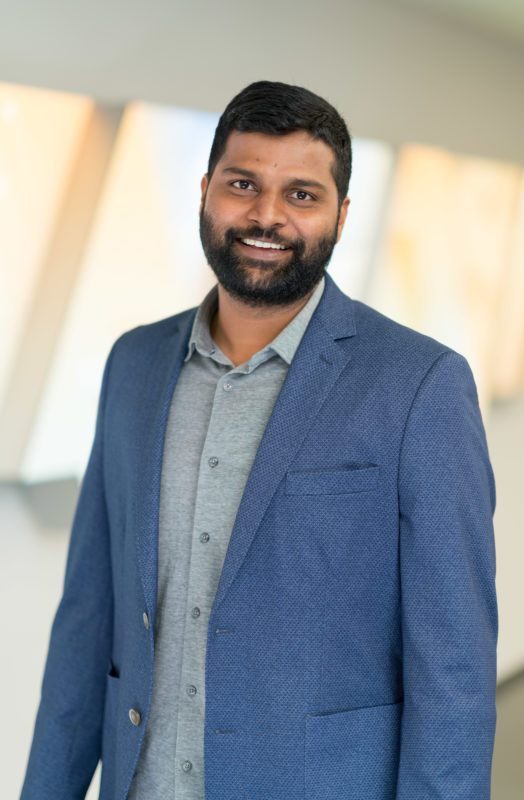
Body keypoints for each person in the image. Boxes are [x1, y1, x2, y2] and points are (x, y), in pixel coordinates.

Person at [21, 81, 497, 800]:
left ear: (339, 215)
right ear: (207, 190)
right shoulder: (134, 364)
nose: (266, 215)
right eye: (244, 184)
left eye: (301, 195)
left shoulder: (419, 385)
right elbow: (87, 622)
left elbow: (454, 672)